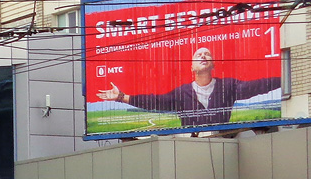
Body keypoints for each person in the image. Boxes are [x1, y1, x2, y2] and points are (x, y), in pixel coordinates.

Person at [96, 47, 280, 129]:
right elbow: (155, 101)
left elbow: (257, 86)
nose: (203, 55)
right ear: (191, 67)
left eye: (207, 53)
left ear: (213, 64)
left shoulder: (228, 86)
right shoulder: (181, 93)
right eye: (198, 54)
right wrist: (121, 97)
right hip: (190, 146)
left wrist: (283, 78)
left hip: (226, 142)